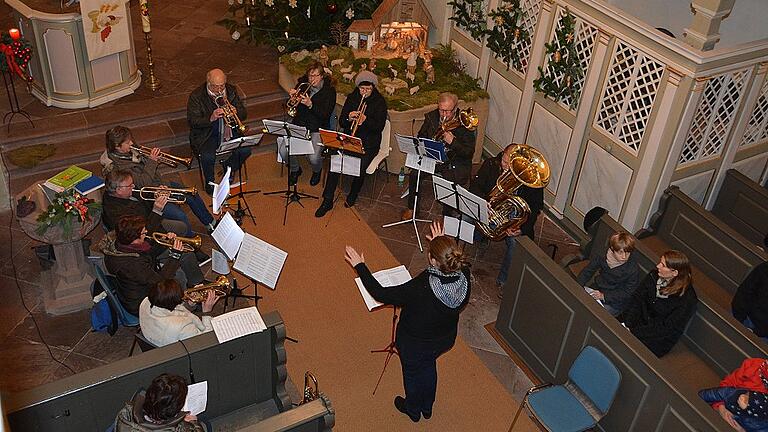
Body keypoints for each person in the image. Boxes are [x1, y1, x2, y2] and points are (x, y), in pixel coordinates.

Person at [345, 222, 471, 422]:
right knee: (429, 366)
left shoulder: (422, 286)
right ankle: (427, 407)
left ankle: (413, 409)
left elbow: (381, 293)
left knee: (412, 373)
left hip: (415, 343)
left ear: (432, 260)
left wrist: (360, 265)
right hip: (444, 338)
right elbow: (449, 261)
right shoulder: (464, 274)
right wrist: (441, 242)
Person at [101, 126, 216, 237]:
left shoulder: (130, 151)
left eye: (130, 139)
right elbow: (143, 182)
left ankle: (211, 223)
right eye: (127, 142)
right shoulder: (118, 167)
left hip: (160, 184)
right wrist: (152, 161)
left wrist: (151, 157)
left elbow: (148, 169)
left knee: (192, 194)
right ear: (117, 146)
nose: (131, 143)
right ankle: (190, 239)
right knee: (180, 216)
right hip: (149, 196)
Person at [469, 144, 544, 293]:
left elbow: (535, 209)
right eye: (504, 161)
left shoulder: (531, 180)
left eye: (511, 165)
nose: (506, 167)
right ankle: (477, 240)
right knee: (466, 215)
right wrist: (483, 202)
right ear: (502, 154)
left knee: (515, 245)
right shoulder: (491, 164)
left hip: (513, 218)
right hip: (489, 209)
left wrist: (520, 228)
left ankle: (504, 280)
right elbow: (475, 186)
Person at [100, 214, 204, 317]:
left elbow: (148, 253)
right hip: (143, 302)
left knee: (184, 259)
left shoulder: (124, 244)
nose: (146, 234)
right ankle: (188, 304)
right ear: (134, 239)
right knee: (178, 279)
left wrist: (165, 240)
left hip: (143, 282)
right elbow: (161, 282)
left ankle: (197, 286)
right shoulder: (131, 265)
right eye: (144, 233)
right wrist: (175, 255)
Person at [315, 70, 387, 217]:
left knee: (360, 166)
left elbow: (379, 127)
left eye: (368, 89)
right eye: (362, 89)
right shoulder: (352, 98)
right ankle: (327, 200)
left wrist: (365, 120)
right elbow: (342, 121)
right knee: (336, 161)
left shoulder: (379, 102)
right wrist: (349, 117)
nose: (364, 92)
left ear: (373, 87)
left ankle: (354, 193)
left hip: (369, 142)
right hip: (350, 139)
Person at [402, 92, 475, 220]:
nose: (444, 115)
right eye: (441, 110)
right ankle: (412, 207)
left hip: (453, 161)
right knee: (415, 174)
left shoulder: (464, 123)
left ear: (456, 107)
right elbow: (421, 135)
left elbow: (468, 153)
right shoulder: (432, 117)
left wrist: (453, 142)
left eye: (448, 111)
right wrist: (428, 141)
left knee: (448, 183)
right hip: (433, 156)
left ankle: (447, 216)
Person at [618, 250, 697, 357]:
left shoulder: (687, 299)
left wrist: (633, 332)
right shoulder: (654, 276)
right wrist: (627, 323)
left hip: (656, 338)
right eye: (660, 262)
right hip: (637, 321)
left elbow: (665, 328)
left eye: (663, 265)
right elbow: (637, 299)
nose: (658, 266)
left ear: (674, 273)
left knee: (625, 351)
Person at [187, 68, 250, 195]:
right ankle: (210, 182)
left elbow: (243, 114)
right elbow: (193, 121)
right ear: (208, 83)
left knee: (245, 150)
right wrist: (211, 117)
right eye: (216, 87)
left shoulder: (231, 90)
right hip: (207, 133)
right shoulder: (197, 96)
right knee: (208, 156)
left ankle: (229, 168)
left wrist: (236, 111)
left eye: (222, 86)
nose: (220, 90)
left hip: (230, 130)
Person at [279, 62, 336, 186]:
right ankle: (295, 169)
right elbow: (292, 106)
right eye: (310, 76)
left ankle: (317, 170)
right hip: (300, 124)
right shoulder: (302, 85)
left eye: (315, 76)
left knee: (314, 158)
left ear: (322, 76)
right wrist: (293, 99)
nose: (312, 79)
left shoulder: (330, 91)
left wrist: (311, 105)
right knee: (283, 150)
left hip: (318, 127)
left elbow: (325, 115)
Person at [102, 169, 187, 236]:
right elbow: (143, 232)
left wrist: (156, 193)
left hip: (150, 215)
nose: (133, 186)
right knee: (181, 227)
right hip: (147, 229)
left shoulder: (124, 193)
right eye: (130, 185)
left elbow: (143, 196)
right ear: (119, 190)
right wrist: (156, 211)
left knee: (179, 214)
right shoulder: (116, 213)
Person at [577, 231, 641, 316]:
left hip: (615, 302)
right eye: (620, 252)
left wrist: (604, 296)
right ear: (612, 249)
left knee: (593, 315)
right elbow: (588, 271)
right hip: (599, 288)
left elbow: (626, 292)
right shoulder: (603, 256)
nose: (624, 257)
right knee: (579, 302)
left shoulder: (632, 269)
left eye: (627, 252)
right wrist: (578, 285)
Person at [113, 373, 207, 431]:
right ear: (176, 409)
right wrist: (194, 424)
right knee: (206, 425)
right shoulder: (184, 429)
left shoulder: (125, 414)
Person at [139, 279, 217, 347]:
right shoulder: (181, 327)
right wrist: (207, 312)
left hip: (157, 336)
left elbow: (172, 311)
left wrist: (188, 305)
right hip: (178, 350)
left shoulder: (146, 302)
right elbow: (205, 341)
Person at [699, 358, 768, 432]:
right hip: (726, 407)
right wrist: (721, 408)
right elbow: (726, 386)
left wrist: (744, 429)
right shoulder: (754, 365)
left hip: (750, 424)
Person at [732, 234, 768, 339]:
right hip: (747, 317)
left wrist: (758, 332)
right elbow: (744, 293)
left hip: (764, 333)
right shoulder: (763, 269)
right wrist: (740, 319)